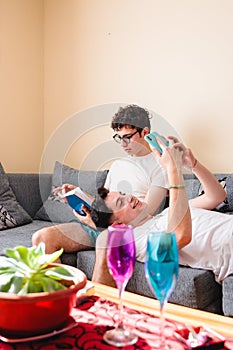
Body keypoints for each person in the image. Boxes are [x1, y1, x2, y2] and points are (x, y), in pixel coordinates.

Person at [32, 105, 168, 257]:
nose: (123, 144)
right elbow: (106, 205)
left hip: (126, 233)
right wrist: (79, 194)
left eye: (127, 137)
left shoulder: (161, 165)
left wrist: (94, 224)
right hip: (100, 226)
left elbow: (146, 213)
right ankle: (70, 282)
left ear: (145, 132)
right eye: (119, 138)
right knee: (41, 239)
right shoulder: (118, 165)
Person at [90, 137, 230, 286]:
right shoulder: (139, 240)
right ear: (117, 223)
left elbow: (217, 196)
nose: (129, 197)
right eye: (121, 202)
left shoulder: (168, 212)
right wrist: (173, 170)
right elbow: (181, 236)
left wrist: (194, 164)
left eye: (123, 194)